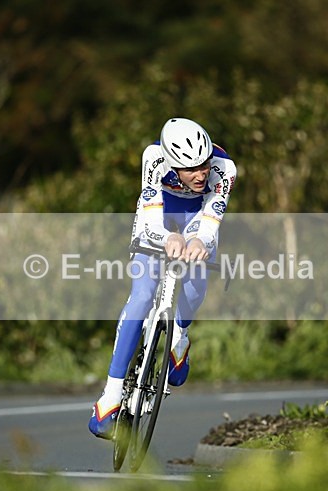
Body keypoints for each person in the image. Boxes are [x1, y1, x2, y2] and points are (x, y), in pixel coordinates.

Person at [89, 117, 237, 439]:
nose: (200, 173)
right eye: (190, 168)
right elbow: (150, 214)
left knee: (196, 282)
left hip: (198, 216)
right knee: (141, 296)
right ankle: (109, 400)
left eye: (203, 164)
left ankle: (179, 337)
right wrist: (166, 236)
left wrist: (198, 240)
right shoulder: (153, 158)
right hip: (160, 214)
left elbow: (211, 217)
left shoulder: (224, 168)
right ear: (172, 164)